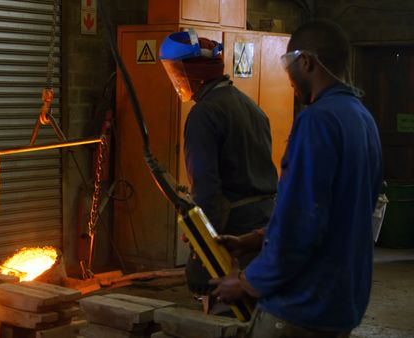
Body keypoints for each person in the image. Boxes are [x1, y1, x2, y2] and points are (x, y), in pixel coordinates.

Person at [209, 20, 383, 338]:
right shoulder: (362, 119)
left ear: (306, 62)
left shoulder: (317, 121)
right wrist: (250, 240)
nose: (288, 79)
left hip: (300, 308)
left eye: (289, 66)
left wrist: (247, 282)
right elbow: (338, 214)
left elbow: (301, 223)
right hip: (340, 305)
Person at [159, 29, 278, 306]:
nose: (176, 80)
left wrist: (202, 254)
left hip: (234, 231)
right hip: (264, 226)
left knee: (229, 313)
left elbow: (207, 192)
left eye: (177, 72)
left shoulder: (204, 114)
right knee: (257, 311)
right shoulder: (249, 105)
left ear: (194, 73)